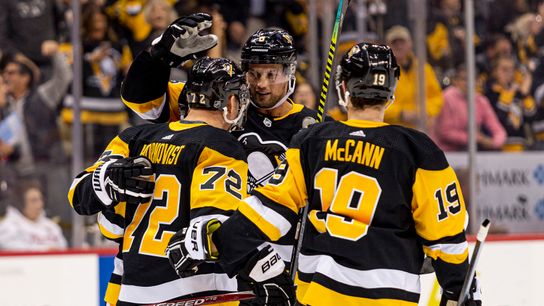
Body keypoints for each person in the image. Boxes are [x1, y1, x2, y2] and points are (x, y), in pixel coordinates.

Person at [169, 42, 482, 306]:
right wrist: (461, 291)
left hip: (320, 293)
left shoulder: (313, 141)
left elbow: (269, 210)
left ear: (343, 87)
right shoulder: (418, 150)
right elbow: (447, 238)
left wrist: (214, 240)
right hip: (391, 295)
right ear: (391, 92)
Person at [121, 22, 319, 262]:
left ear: (290, 73)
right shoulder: (222, 103)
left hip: (286, 258)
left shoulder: (313, 127)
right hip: (222, 257)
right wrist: (158, 58)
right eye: (254, 74)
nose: (262, 84)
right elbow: (141, 101)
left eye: (271, 74)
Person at [68, 51, 255, 304]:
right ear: (231, 102)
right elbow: (214, 232)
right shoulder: (221, 145)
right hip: (197, 292)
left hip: (130, 289)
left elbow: (91, 209)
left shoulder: (134, 137)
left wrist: (107, 184)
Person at [434, 64, 506, 151]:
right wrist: (477, 138)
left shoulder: (481, 101)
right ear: (456, 81)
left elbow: (499, 131)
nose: (468, 83)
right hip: (445, 152)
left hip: (470, 151)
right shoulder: (446, 98)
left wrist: (494, 143)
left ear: (477, 82)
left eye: (472, 79)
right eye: (464, 79)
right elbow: (445, 132)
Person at [384, 26, 444, 131]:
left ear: (410, 44)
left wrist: (423, 112)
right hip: (391, 131)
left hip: (420, 131)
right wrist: (400, 114)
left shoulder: (424, 69)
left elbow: (436, 98)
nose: (399, 46)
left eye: (402, 42)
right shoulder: (380, 70)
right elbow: (373, 103)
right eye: (394, 43)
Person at [0, 180, 67, 251]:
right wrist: (44, 251)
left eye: (40, 199)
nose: (39, 205)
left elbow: (63, 248)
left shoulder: (51, 227)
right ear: (21, 204)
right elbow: (9, 249)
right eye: (33, 200)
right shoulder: (8, 226)